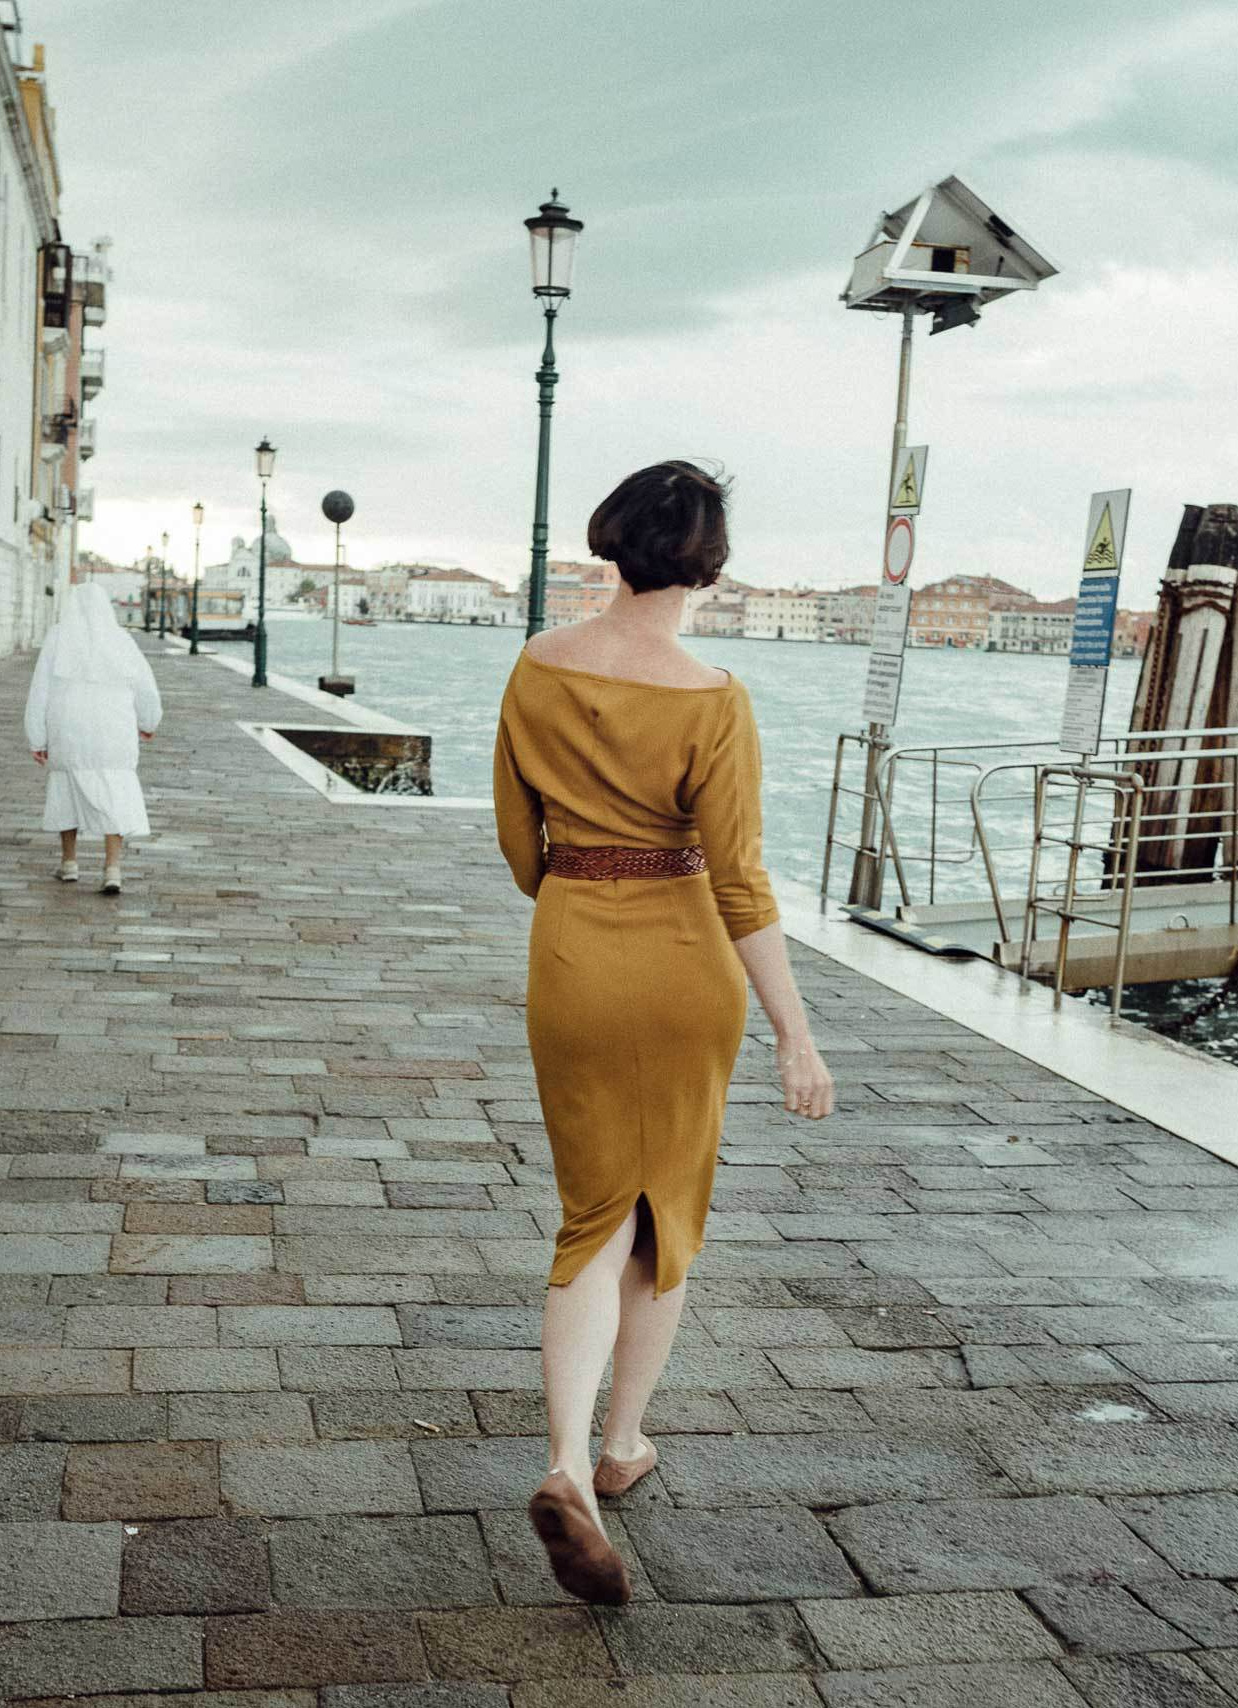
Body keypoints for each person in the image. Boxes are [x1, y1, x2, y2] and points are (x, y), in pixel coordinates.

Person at [492, 460, 836, 1604]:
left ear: (611, 544)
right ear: (710, 562)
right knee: (663, 1214)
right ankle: (620, 1443)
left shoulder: (535, 667)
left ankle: (560, 1460)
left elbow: (518, 848)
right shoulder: (712, 695)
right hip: (686, 968)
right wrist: (794, 1030)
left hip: (573, 954)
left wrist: (586, 891)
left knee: (591, 1205)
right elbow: (737, 877)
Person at [25, 581, 164, 894]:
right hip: (113, 730)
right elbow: (145, 686)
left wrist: (36, 738)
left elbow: (39, 691)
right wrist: (149, 721)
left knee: (65, 791)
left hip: (68, 729)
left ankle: (70, 863)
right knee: (114, 794)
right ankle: (112, 868)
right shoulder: (121, 639)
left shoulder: (58, 637)